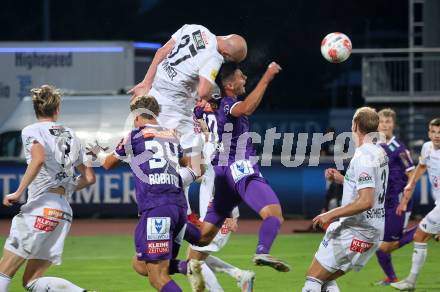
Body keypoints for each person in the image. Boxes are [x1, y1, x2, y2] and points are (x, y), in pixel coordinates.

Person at [89, 96, 204, 292]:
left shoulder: (134, 135)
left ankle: (187, 267)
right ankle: (187, 267)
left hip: (156, 207)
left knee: (157, 277)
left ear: (136, 115)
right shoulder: (171, 135)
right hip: (177, 208)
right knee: (140, 264)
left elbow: (108, 163)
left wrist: (95, 152)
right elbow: (194, 167)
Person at [186, 61, 289, 273]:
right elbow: (246, 108)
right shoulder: (226, 103)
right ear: (230, 85)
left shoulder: (205, 107)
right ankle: (262, 250)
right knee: (274, 215)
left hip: (221, 173)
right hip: (239, 167)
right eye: (241, 76)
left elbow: (200, 116)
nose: (245, 79)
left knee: (204, 236)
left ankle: (172, 224)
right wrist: (267, 76)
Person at [0, 85, 96, 292]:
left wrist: (18, 192)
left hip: (40, 209)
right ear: (57, 108)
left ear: (35, 109)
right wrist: (67, 185)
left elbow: (38, 159)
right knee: (32, 281)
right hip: (62, 213)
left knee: (3, 271)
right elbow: (89, 178)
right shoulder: (72, 135)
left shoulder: (31, 131)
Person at [129, 24, 247, 177]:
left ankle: (172, 188)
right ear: (226, 54)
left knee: (168, 160)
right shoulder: (214, 56)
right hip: (174, 109)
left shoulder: (195, 29)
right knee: (198, 167)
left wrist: (146, 83)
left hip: (155, 95)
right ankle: (173, 190)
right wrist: (210, 93)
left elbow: (162, 52)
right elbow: (203, 91)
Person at [302, 107, 389, 292]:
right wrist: (342, 179)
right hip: (372, 230)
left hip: (356, 230)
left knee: (313, 279)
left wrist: (331, 214)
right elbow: (371, 186)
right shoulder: (379, 151)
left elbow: (366, 201)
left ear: (355, 125)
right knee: (326, 279)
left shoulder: (363, 156)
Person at [189, 99, 255, 291]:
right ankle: (240, 275)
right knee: (196, 259)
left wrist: (231, 213)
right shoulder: (211, 144)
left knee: (194, 262)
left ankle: (237, 277)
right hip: (210, 214)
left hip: (219, 214)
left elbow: (228, 180)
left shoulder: (223, 149)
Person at [391, 118, 440, 291]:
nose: (436, 136)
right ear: (428, 133)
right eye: (433, 132)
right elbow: (421, 167)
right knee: (423, 236)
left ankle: (411, 282)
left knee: (420, 236)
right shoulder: (427, 148)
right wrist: (411, 183)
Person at [374, 108, 417, 285]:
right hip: (383, 203)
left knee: (383, 248)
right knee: (379, 246)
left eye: (388, 122)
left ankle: (426, 228)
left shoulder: (399, 148)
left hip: (398, 201)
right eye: (382, 122)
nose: (385, 125)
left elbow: (412, 175)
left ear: (393, 125)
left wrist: (404, 201)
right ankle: (391, 278)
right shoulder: (375, 146)